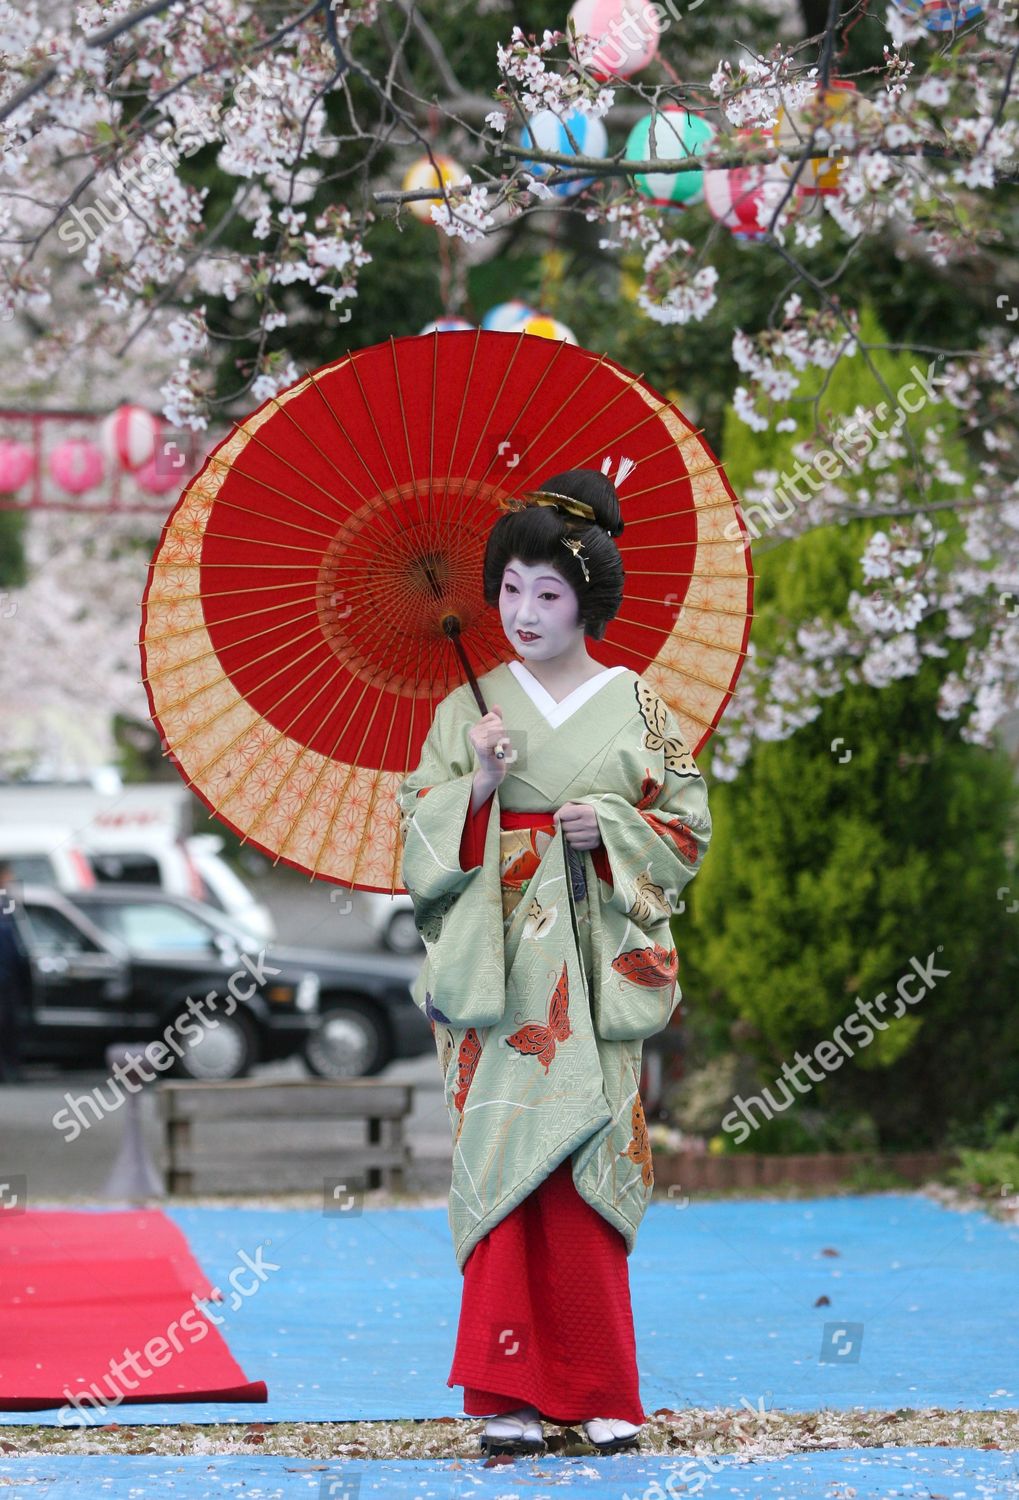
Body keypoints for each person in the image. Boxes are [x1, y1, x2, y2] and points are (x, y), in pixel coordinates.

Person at [396, 466, 712, 1457]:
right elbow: (416, 838)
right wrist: (479, 787)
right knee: (506, 1168)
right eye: (508, 590)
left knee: (583, 1163)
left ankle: (600, 1387)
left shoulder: (639, 705)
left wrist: (608, 825)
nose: (521, 613)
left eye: (547, 594)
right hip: (496, 977)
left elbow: (686, 827)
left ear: (587, 603)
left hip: (589, 958)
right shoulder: (466, 716)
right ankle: (510, 1399)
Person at [0, 861, 30, 1084]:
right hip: (4, 980)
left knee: (10, 1027)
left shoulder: (7, 906)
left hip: (8, 981)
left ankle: (10, 1069)